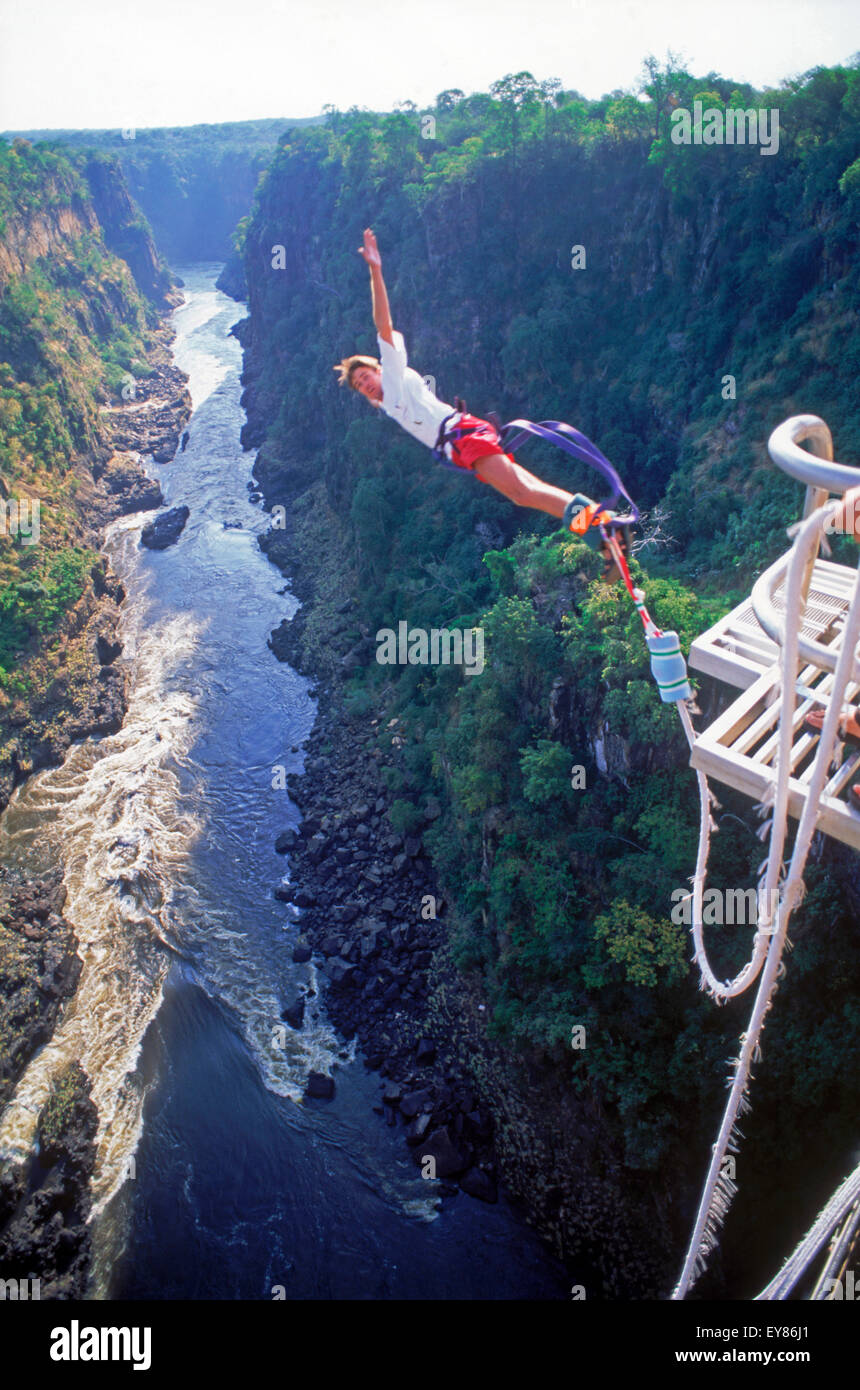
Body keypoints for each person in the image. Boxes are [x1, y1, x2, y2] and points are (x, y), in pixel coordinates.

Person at [333, 228, 624, 577]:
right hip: (461, 442)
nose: (364, 383)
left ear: (379, 370)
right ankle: (601, 531)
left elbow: (384, 324)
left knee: (523, 491)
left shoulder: (394, 374)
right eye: (358, 385)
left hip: (462, 436)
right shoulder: (388, 403)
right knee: (528, 493)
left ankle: (603, 528)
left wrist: (375, 271)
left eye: (366, 375)